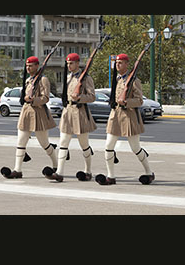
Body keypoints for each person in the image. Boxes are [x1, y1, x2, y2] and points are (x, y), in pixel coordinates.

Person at [95, 53, 155, 185]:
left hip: (129, 116)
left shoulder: (134, 80)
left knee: (135, 148)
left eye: (120, 62)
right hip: (115, 115)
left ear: (127, 64)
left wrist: (126, 102)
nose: (117, 64)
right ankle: (111, 176)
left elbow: (139, 101)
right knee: (108, 146)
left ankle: (149, 173)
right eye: (116, 62)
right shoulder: (117, 79)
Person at [43, 53, 97, 182]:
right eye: (67, 63)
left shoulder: (86, 78)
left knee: (84, 144)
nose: (69, 66)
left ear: (78, 63)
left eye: (71, 63)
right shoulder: (68, 77)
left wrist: (80, 98)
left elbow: (92, 97)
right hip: (68, 111)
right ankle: (59, 172)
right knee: (63, 143)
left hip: (80, 112)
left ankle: (88, 170)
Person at [0, 56, 57, 179]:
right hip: (26, 112)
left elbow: (46, 98)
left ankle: (55, 165)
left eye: (30, 66)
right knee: (21, 141)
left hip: (38, 113)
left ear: (37, 66)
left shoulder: (43, 80)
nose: (28, 68)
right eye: (27, 66)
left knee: (44, 143)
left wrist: (33, 100)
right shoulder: (28, 80)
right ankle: (17, 170)